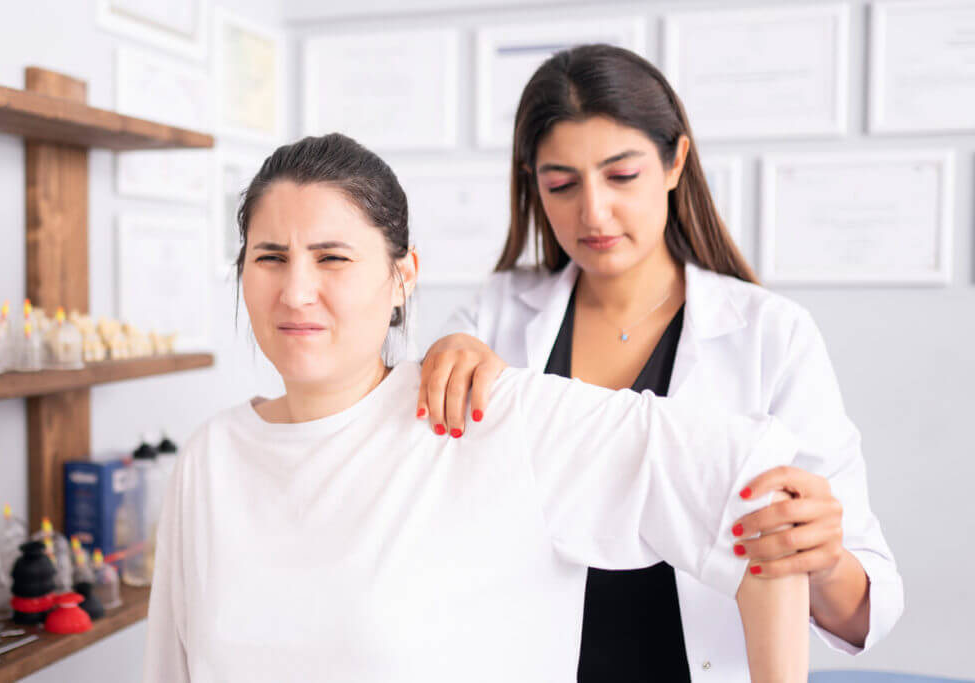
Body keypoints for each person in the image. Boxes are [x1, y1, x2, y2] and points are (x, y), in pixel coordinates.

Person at [143, 133, 809, 683]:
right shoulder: (210, 455)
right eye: (269, 257)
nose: (296, 290)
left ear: (403, 275)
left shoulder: (490, 420)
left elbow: (753, 490)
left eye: (332, 257)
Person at [416, 44, 903, 681]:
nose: (593, 212)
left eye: (621, 176)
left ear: (675, 161)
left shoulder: (770, 335)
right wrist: (439, 362)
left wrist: (824, 556)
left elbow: (863, 613)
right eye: (561, 184)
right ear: (532, 184)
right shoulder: (496, 316)